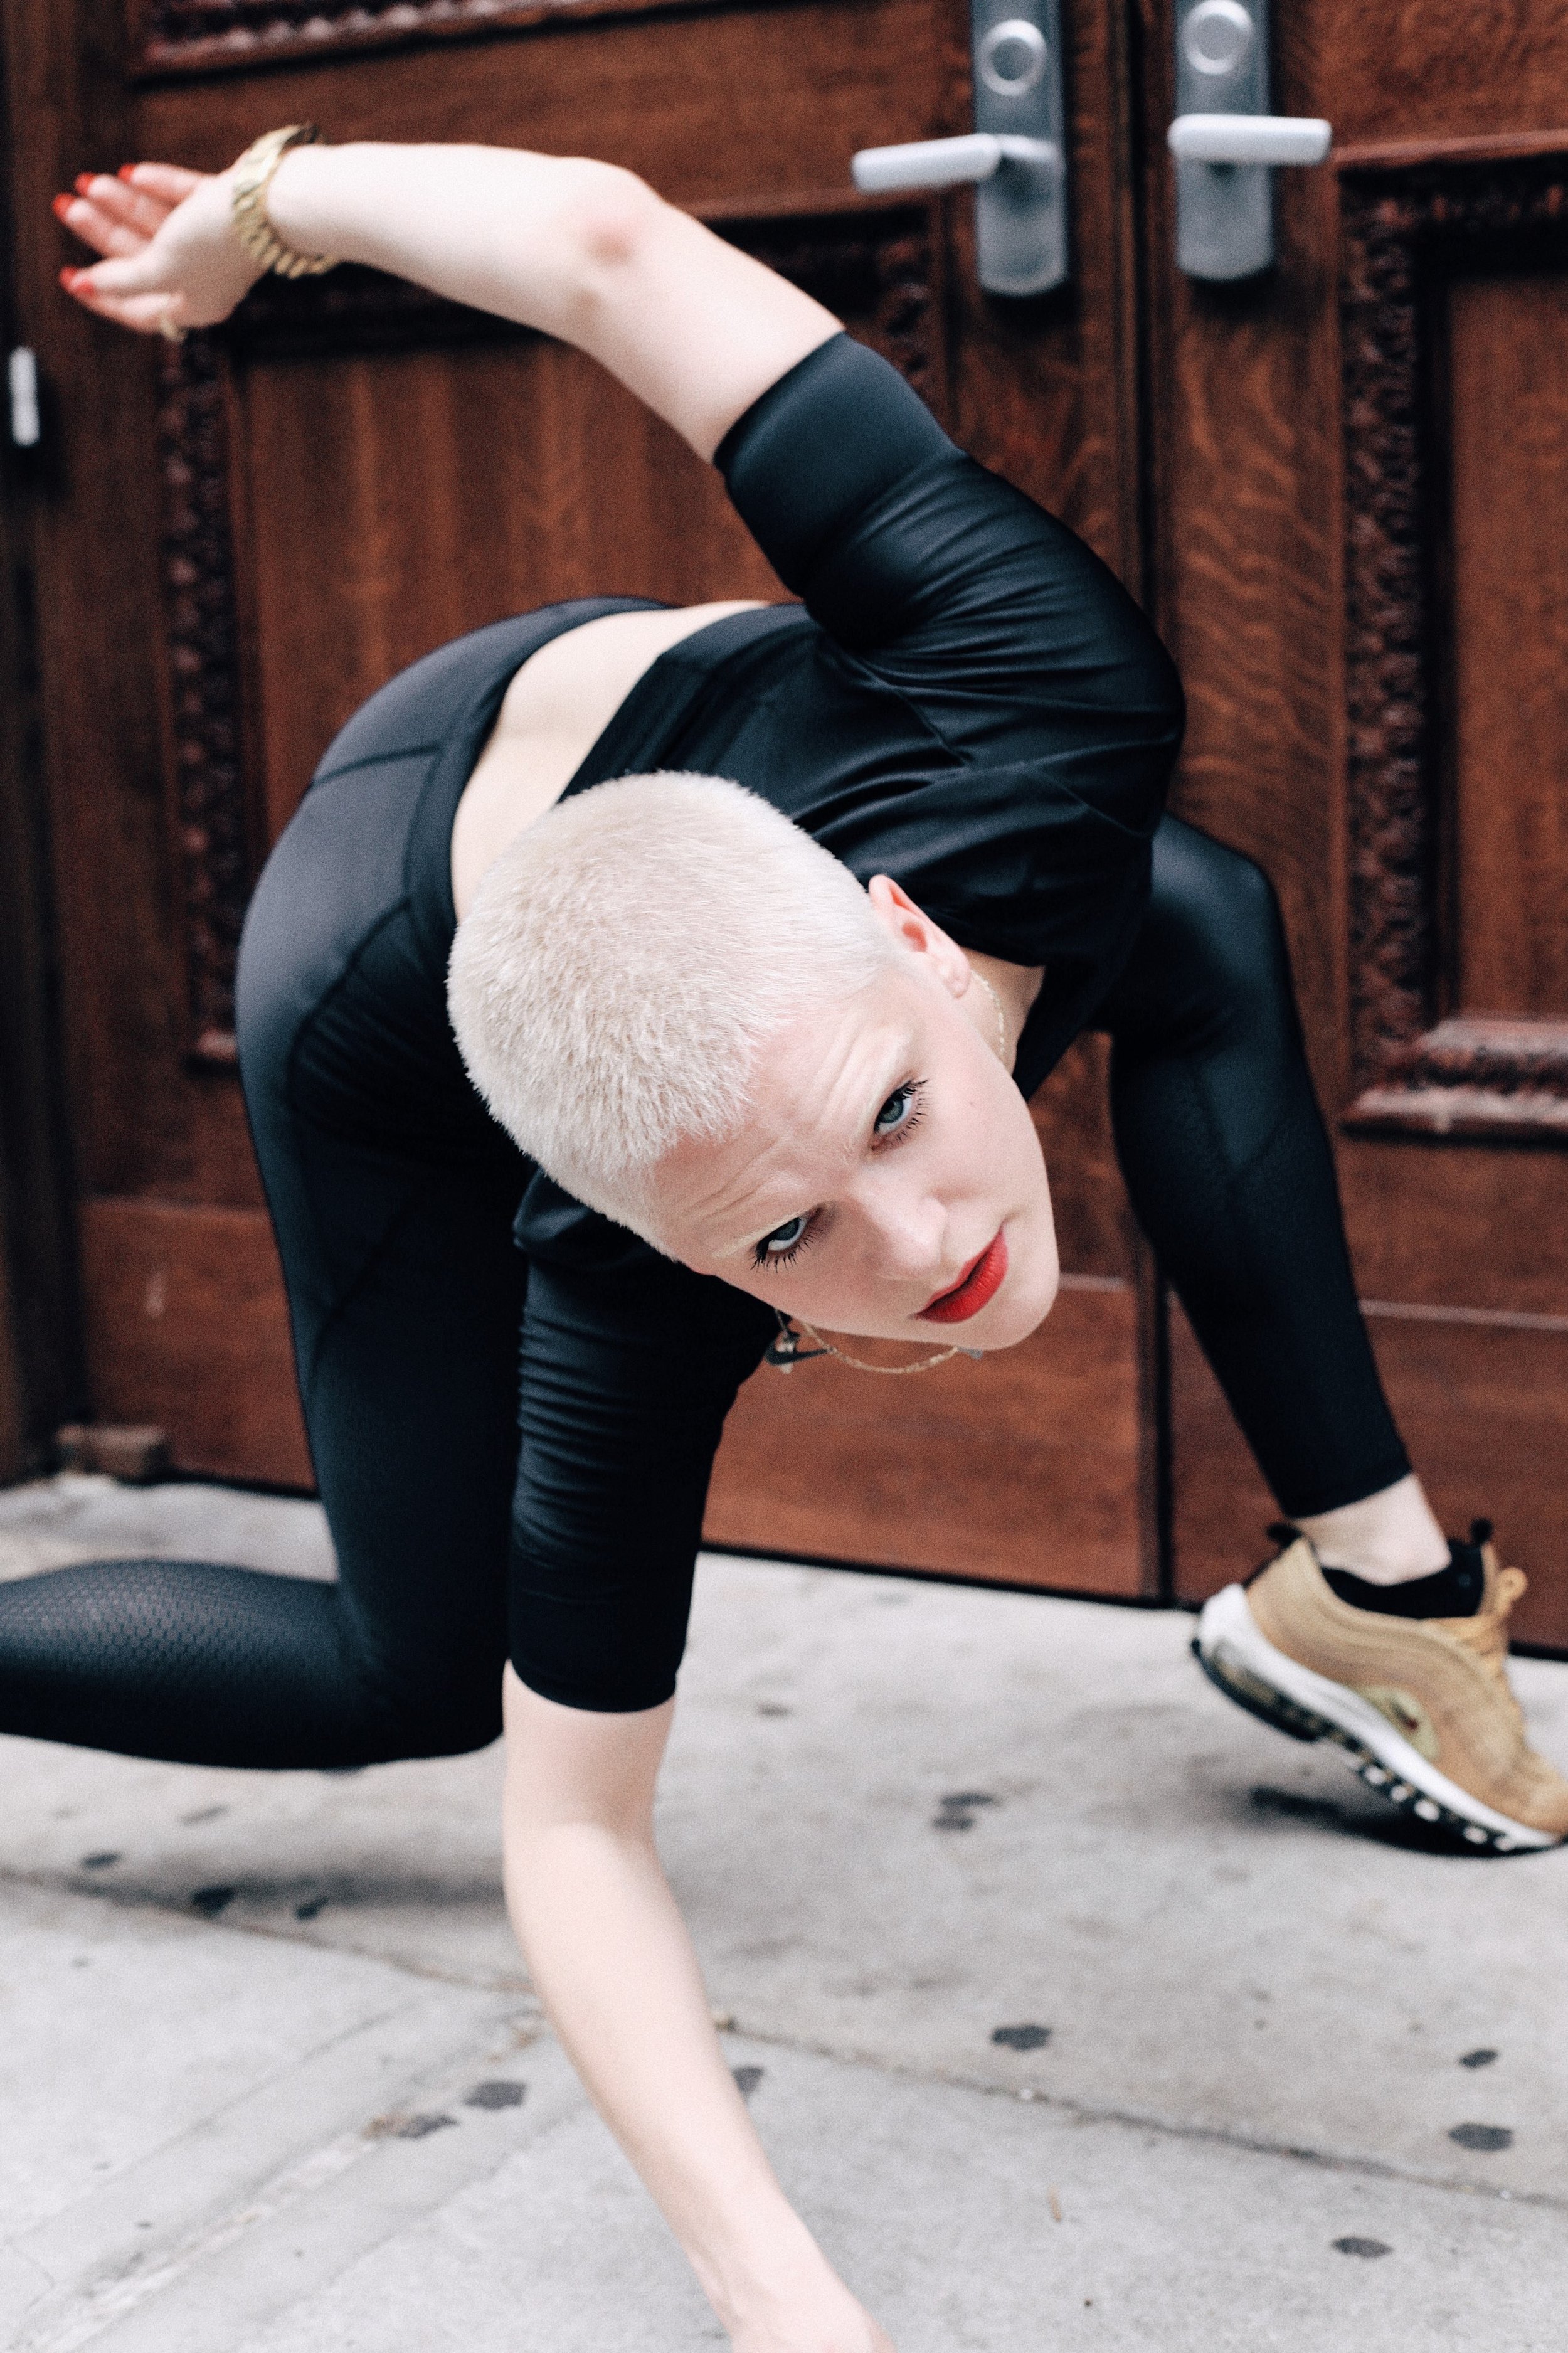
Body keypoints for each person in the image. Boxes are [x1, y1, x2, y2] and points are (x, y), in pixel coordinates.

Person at [9, 128, 1563, 2350]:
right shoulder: (623, 1276)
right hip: (373, 951)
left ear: (912, 932)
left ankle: (1375, 1603)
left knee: (1191, 912)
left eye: (899, 1116)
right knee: (426, 1672)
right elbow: (574, 1839)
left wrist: (264, 208)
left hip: (624, 764)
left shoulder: (1036, 695)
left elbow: (602, 245)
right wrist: (783, 2306)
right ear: (659, 1247)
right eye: (785, 1243)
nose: (924, 1250)